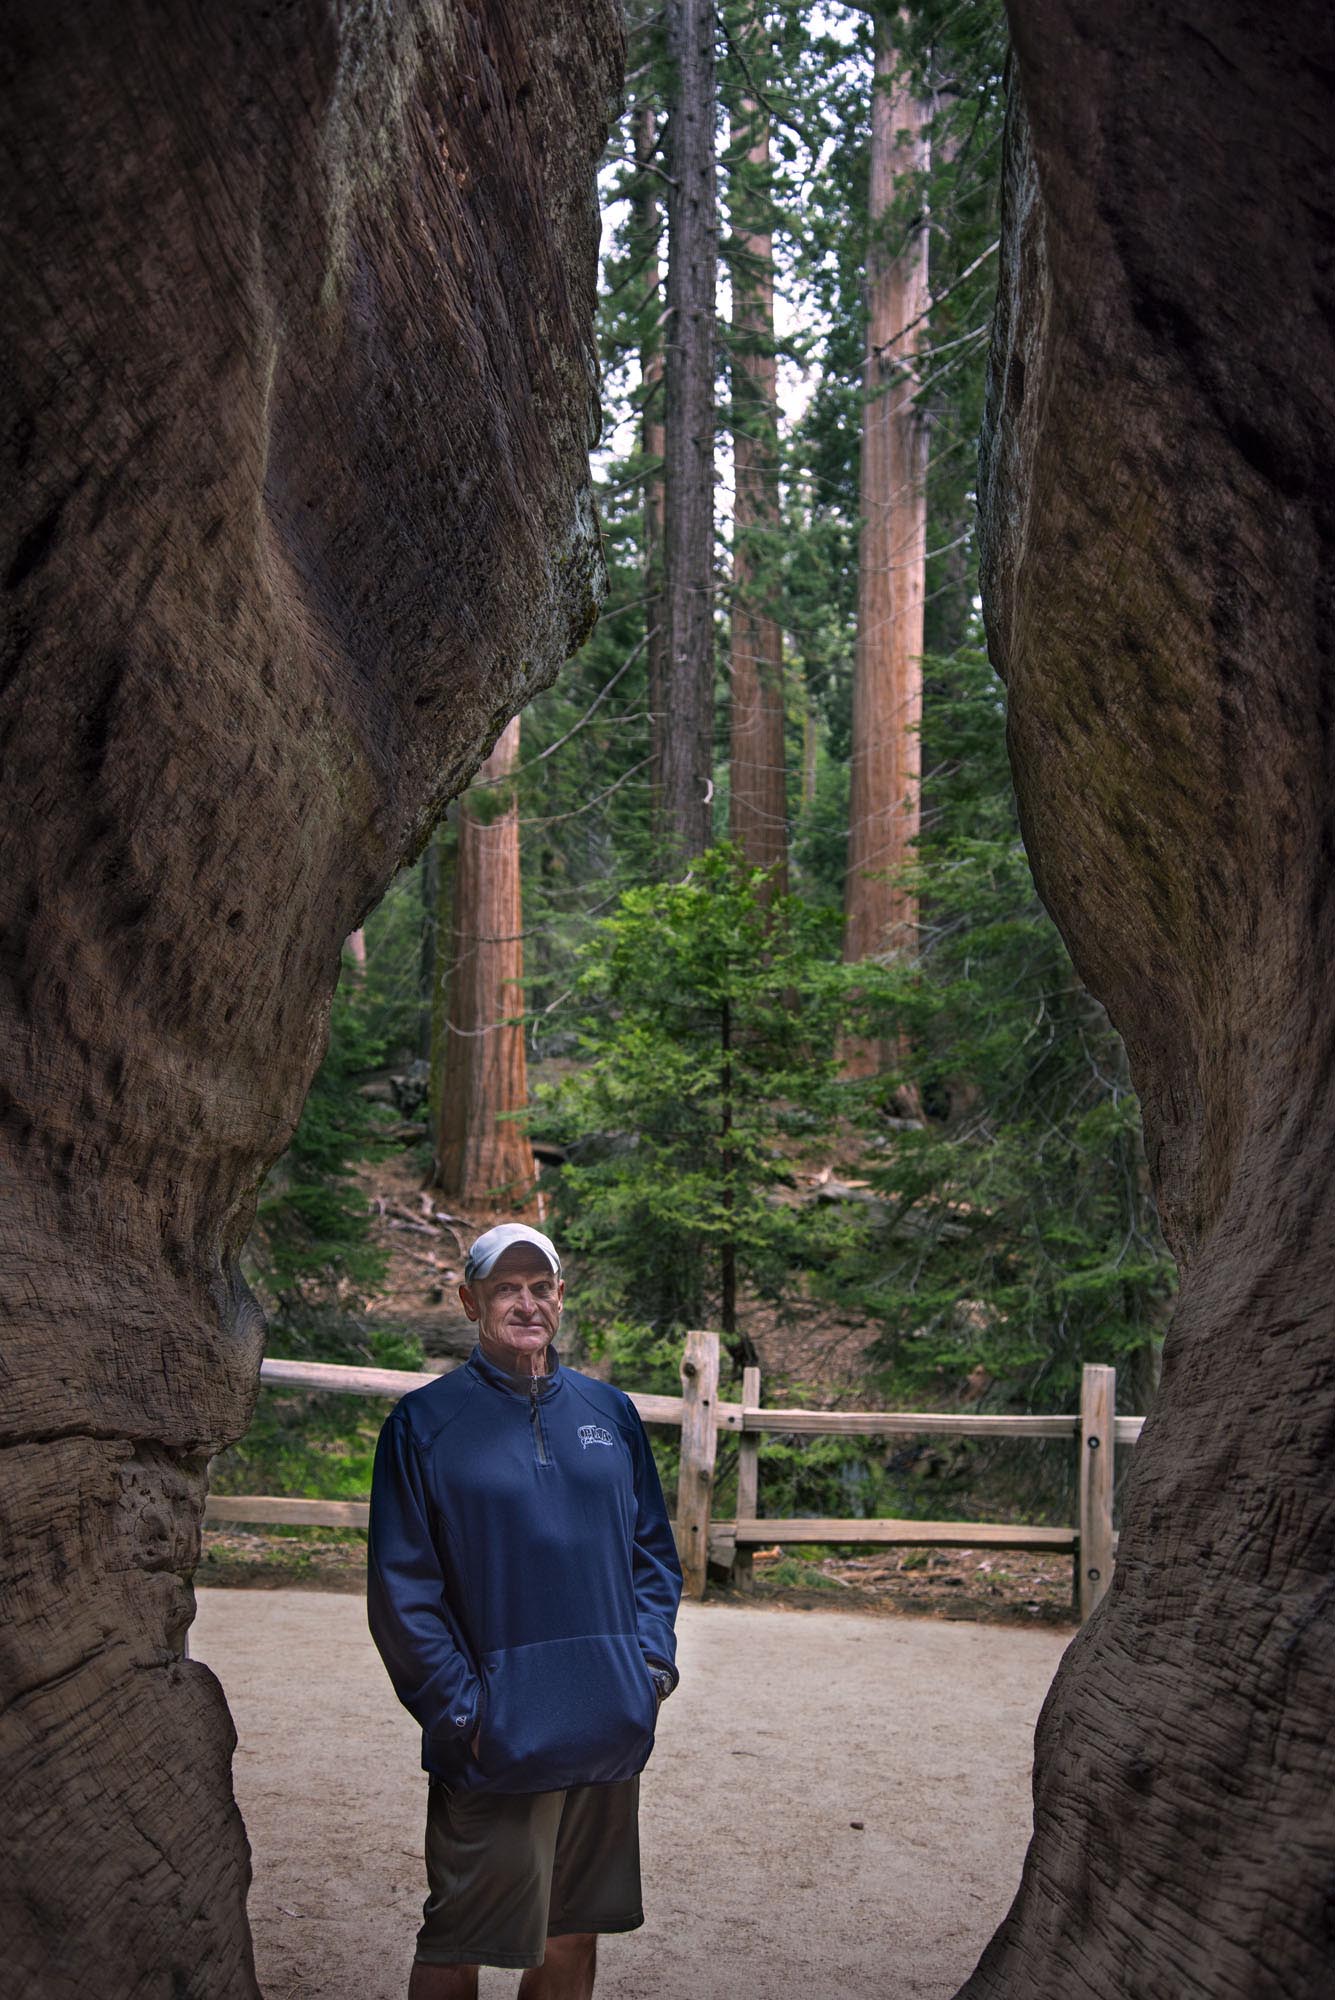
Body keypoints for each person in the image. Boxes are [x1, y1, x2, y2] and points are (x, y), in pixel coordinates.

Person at [368, 1222, 682, 2000]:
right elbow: (403, 1588)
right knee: (459, 1939)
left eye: (539, 1287)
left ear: (560, 1297)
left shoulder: (610, 1412)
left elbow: (651, 1555)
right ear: (468, 1301)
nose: (525, 1303)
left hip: (606, 1724)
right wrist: (463, 1712)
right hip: (496, 1739)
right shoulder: (424, 1425)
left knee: (573, 1932)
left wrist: (647, 1670)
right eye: (504, 1288)